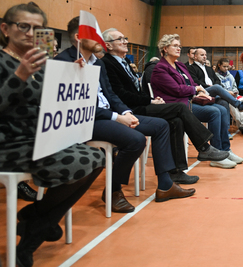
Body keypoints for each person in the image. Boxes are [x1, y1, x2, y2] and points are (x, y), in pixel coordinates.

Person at [0, 3, 105, 267]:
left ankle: (36, 221)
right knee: (78, 161)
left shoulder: (44, 64)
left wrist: (74, 75)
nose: (30, 33)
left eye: (37, 29)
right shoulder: (4, 61)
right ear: (5, 29)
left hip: (38, 139)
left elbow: (56, 102)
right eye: (23, 26)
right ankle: (34, 230)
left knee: (96, 156)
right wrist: (21, 74)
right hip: (8, 142)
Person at [56, 18, 195, 212]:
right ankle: (113, 191)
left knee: (161, 125)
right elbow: (76, 106)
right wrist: (117, 117)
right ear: (79, 38)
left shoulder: (98, 64)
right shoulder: (64, 62)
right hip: (88, 120)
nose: (99, 37)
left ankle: (165, 185)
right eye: (93, 33)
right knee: (136, 140)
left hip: (111, 114)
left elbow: (111, 95)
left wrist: (125, 111)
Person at [101, 28, 228, 184]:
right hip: (129, 110)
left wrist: (152, 100)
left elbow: (136, 91)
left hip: (146, 104)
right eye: (120, 39)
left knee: (177, 121)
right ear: (108, 45)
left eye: (125, 38)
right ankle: (203, 148)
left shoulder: (125, 62)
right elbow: (120, 94)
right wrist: (149, 100)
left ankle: (176, 171)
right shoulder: (107, 63)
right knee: (180, 109)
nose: (125, 41)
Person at [149, 35, 243, 168]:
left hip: (190, 101)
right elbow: (177, 90)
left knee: (222, 108)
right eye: (175, 46)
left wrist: (199, 92)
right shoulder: (160, 68)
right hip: (177, 105)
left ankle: (225, 150)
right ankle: (215, 154)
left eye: (179, 46)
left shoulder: (180, 65)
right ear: (165, 49)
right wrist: (195, 89)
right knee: (215, 112)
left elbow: (191, 83)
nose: (178, 48)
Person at [216, 57, 243, 134]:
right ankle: (241, 125)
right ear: (219, 65)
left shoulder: (230, 76)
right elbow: (218, 88)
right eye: (224, 66)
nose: (226, 68)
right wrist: (228, 92)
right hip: (222, 97)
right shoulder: (216, 76)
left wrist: (235, 92)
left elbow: (234, 86)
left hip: (233, 95)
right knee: (231, 105)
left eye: (227, 66)